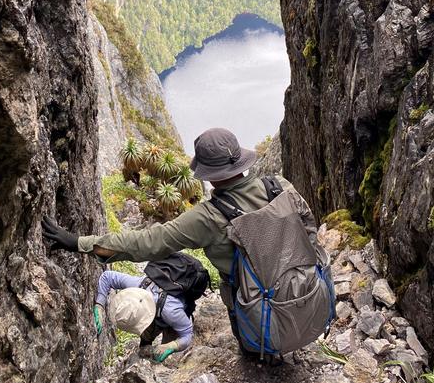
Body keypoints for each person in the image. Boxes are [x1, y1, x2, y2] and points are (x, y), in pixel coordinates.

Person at [42, 127, 317, 348]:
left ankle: (257, 349)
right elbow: (309, 230)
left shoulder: (207, 217)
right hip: (309, 300)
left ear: (208, 174)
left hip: (261, 327)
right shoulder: (278, 186)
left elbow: (147, 243)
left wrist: (79, 242)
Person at [93, 269, 193, 362]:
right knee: (147, 336)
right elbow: (107, 277)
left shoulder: (171, 312)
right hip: (160, 306)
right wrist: (99, 305)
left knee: (167, 354)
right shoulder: (137, 285)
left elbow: (187, 335)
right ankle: (145, 353)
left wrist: (171, 346)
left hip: (176, 308)